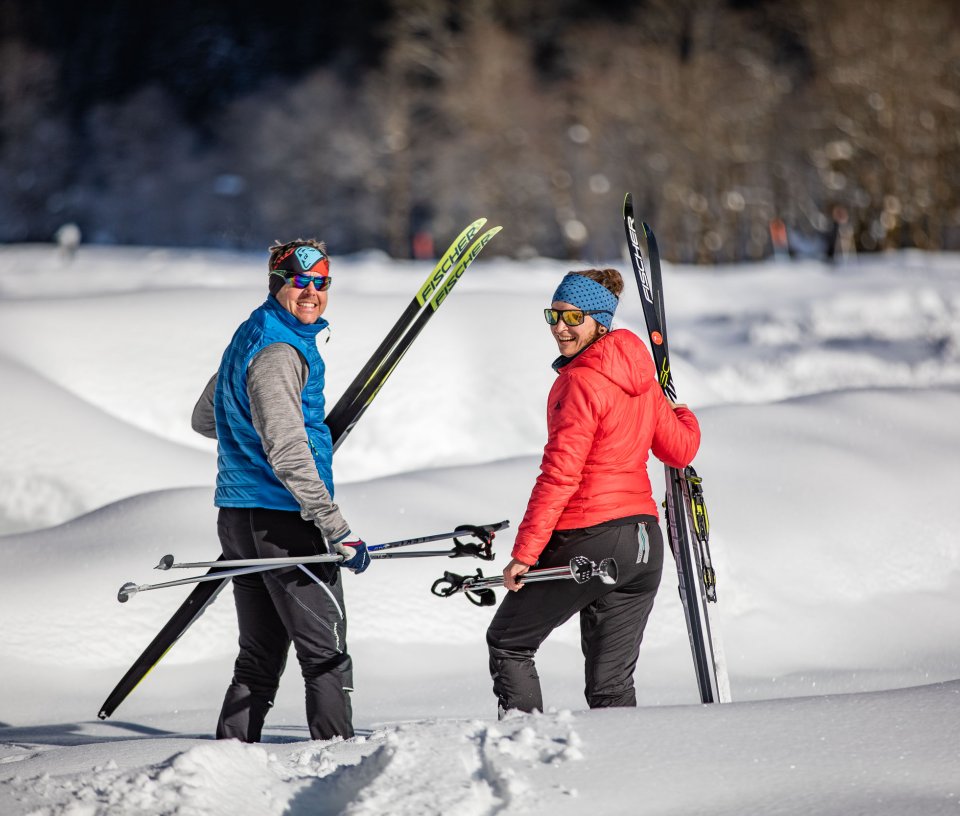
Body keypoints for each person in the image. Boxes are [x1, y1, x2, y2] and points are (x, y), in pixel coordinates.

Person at [486, 268, 701, 715]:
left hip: (590, 537)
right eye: (554, 316)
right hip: (642, 545)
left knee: (509, 642)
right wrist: (682, 412)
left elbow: (560, 474)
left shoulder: (580, 381)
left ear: (599, 322)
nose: (560, 328)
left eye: (573, 318)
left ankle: (521, 750)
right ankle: (620, 773)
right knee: (611, 685)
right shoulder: (641, 377)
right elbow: (679, 451)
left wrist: (526, 553)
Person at [191, 239, 369, 743]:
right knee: (326, 654)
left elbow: (207, 418)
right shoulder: (278, 350)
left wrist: (248, 431)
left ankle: (227, 761)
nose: (312, 292)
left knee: (260, 655)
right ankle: (337, 761)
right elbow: (289, 454)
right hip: (285, 522)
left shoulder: (253, 332)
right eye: (300, 281)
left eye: (322, 283)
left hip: (239, 521)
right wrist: (338, 530)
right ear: (278, 283)